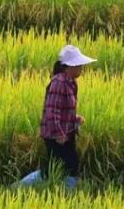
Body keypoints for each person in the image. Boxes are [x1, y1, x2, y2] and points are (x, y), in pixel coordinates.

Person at [17, 45, 96, 192]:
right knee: (58, 166)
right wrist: (58, 133)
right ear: (69, 67)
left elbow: (63, 109)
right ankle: (21, 186)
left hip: (66, 133)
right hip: (55, 135)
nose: (82, 68)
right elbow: (52, 111)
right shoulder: (59, 83)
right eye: (79, 65)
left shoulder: (71, 82)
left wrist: (75, 119)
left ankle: (67, 191)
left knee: (68, 164)